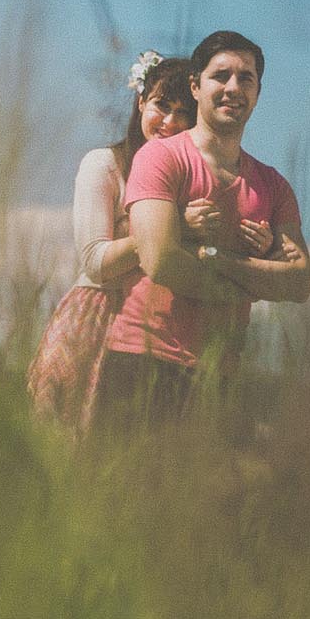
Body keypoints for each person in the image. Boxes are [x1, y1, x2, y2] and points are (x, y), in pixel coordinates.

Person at [96, 29, 310, 429]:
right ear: (195, 86)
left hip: (221, 375)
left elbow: (299, 282)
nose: (234, 88)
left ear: (259, 93)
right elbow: (160, 260)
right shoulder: (160, 157)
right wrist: (255, 278)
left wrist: (212, 257)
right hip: (142, 362)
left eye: (246, 78)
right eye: (221, 76)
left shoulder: (273, 184)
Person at [27, 51, 195, 433]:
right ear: (140, 102)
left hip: (160, 330)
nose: (169, 122)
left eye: (183, 112)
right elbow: (95, 260)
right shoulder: (105, 165)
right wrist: (167, 229)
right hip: (98, 315)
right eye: (161, 105)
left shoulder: (187, 180)